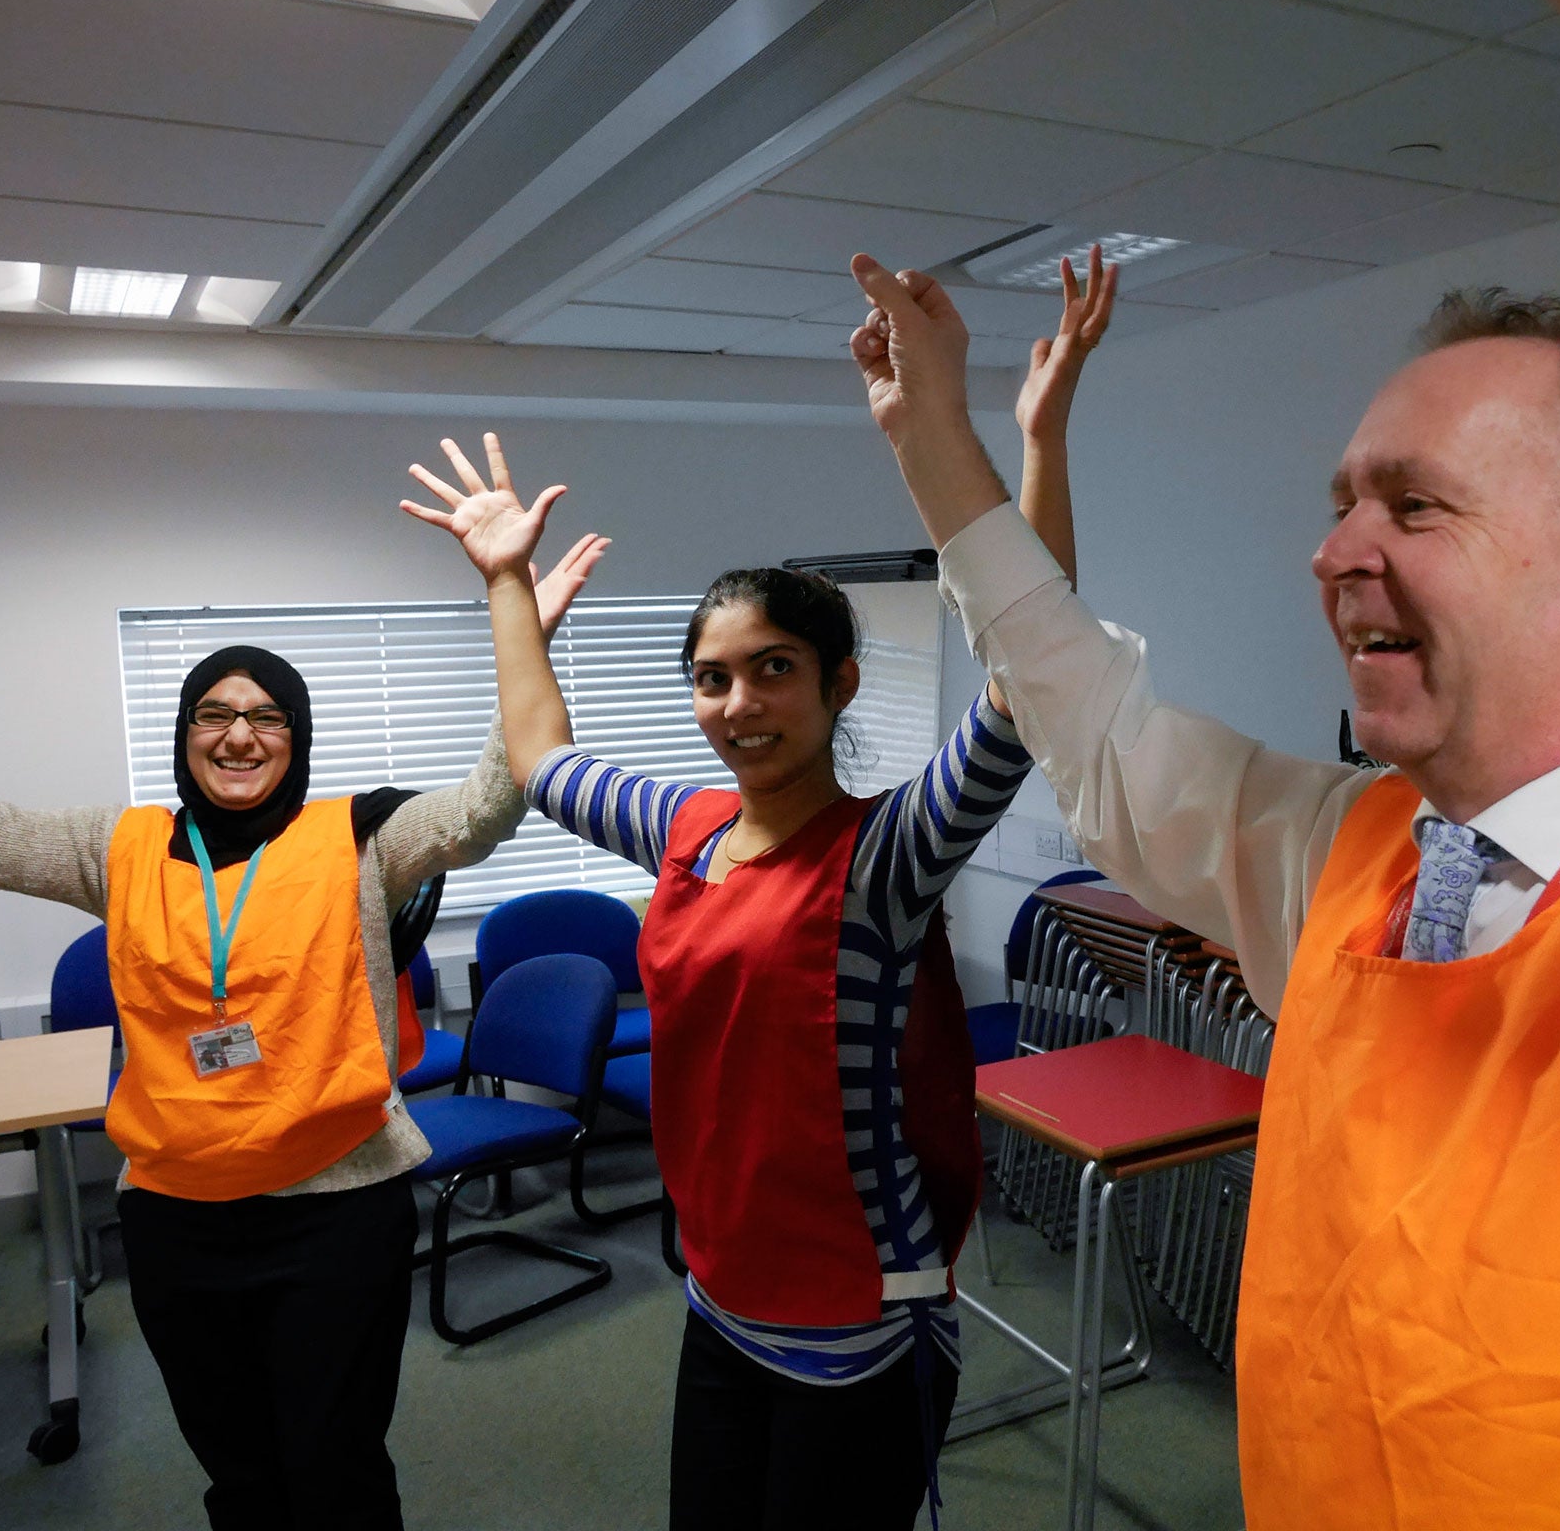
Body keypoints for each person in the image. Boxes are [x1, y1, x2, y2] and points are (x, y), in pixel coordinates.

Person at [845, 0, 1560, 1525]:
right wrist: (936, 445)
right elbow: (1101, 738)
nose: (1332, 553)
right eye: (1344, 502)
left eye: (1414, 506)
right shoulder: (1347, 858)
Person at [399, 264, 1112, 1531]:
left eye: (772, 671)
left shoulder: (887, 852)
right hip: (718, 1295)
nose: (738, 707)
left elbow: (1032, 669)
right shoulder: (682, 829)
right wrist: (506, 578)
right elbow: (538, 758)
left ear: (837, 684)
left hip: (857, 1315)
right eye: (713, 679)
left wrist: (1036, 445)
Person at [0, 544, 601, 1530]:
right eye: (214, 713)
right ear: (186, 734)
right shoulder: (119, 847)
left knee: (335, 1464)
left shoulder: (359, 839)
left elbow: (487, 805)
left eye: (264, 715)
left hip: (336, 1208)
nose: (238, 735)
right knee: (240, 1476)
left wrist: (523, 631)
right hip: (178, 1218)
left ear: (295, 735)